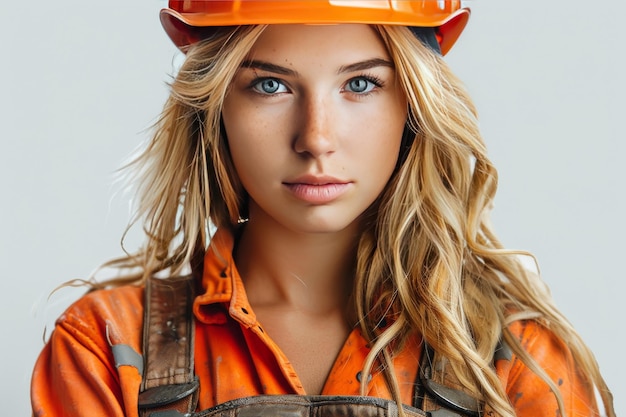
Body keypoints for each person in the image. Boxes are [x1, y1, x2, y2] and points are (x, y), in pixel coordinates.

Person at [31, 1, 615, 417]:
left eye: (360, 85)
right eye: (270, 86)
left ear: (414, 107)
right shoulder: (108, 349)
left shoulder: (515, 359)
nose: (316, 138)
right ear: (213, 110)